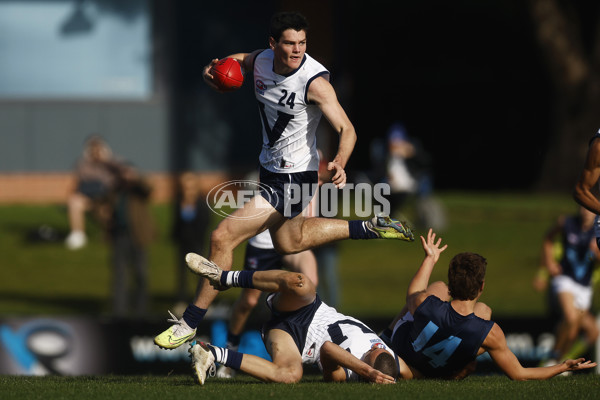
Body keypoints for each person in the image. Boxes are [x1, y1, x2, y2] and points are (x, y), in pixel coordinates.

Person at [154, 11, 414, 349]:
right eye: (289, 43)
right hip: (271, 173)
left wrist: (339, 161)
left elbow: (347, 128)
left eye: (302, 43)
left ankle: (188, 323)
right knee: (290, 243)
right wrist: (213, 72)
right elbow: (237, 62)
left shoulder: (314, 81)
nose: (296, 50)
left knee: (222, 237)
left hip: (295, 178)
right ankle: (368, 227)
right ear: (273, 43)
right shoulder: (261, 61)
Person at [381, 229, 597, 380]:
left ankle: (386, 337)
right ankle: (455, 369)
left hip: (403, 352)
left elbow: (413, 294)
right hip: (441, 371)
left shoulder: (426, 304)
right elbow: (520, 374)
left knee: (434, 286)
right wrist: (562, 366)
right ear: (481, 286)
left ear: (452, 284)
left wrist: (430, 258)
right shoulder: (490, 332)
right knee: (483, 311)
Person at [185, 252, 404, 384]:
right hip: (309, 309)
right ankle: (223, 276)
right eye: (377, 348)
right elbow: (414, 370)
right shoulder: (391, 358)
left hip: (293, 339)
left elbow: (327, 348)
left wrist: (366, 371)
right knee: (302, 283)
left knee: (290, 375)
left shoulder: (353, 374)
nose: (373, 348)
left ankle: (211, 352)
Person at [216, 229, 318, 378]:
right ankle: (230, 351)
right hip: (263, 244)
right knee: (249, 302)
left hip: (293, 240)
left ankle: (302, 343)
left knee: (310, 282)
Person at [539, 206, 600, 365]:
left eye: (589, 209)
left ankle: (563, 362)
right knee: (571, 317)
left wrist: (597, 253)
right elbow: (548, 239)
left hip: (584, 286)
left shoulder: (598, 230)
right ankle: (552, 360)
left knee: (579, 332)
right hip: (564, 279)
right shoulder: (567, 223)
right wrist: (549, 263)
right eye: (583, 207)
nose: (585, 211)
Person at [107, 164, 156, 318]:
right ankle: (119, 311)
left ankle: (141, 311)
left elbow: (148, 189)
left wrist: (136, 179)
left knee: (140, 274)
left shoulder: (138, 190)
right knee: (119, 275)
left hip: (137, 236)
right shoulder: (116, 190)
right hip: (119, 235)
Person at [65, 135, 125, 250]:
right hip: (90, 197)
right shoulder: (83, 163)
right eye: (92, 149)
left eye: (98, 149)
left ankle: (112, 233)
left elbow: (118, 177)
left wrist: (105, 162)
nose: (95, 152)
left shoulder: (114, 161)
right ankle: (78, 235)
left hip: (108, 198)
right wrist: (92, 162)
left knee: (106, 211)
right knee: (75, 202)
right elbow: (82, 177)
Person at [171, 171, 210, 309]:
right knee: (182, 273)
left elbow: (205, 222)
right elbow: (176, 223)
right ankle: (181, 300)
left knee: (200, 273)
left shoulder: (201, 203)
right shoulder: (179, 202)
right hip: (183, 242)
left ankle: (201, 301)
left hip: (198, 243)